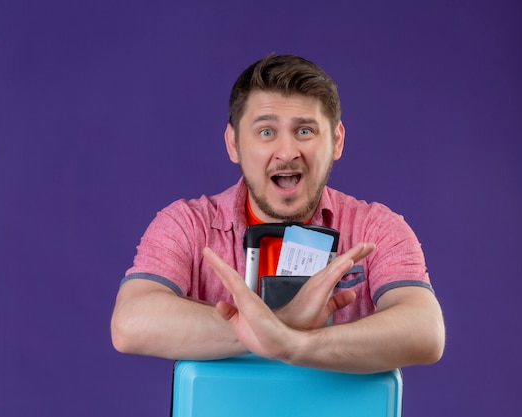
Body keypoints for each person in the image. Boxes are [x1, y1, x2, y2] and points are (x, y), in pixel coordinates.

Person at [111, 54, 445, 373]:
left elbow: (424, 330)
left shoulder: (376, 228)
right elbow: (131, 322)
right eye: (266, 132)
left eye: (305, 131)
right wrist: (284, 319)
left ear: (337, 141)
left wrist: (291, 343)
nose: (287, 152)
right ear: (234, 144)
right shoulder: (187, 225)